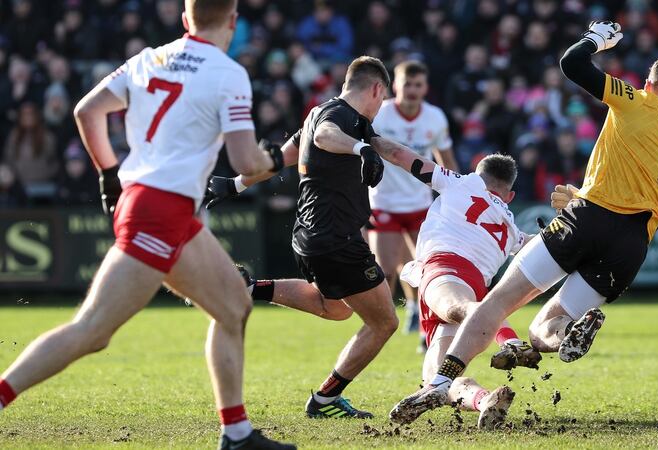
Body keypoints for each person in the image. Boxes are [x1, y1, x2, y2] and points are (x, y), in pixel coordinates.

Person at [0, 2, 294, 449]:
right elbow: (243, 160)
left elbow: (86, 111)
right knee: (92, 332)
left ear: (184, 20)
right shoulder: (229, 72)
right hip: (160, 210)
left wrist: (106, 175)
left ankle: (237, 434)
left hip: (163, 207)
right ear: (233, 23)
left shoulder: (149, 57)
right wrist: (274, 158)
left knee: (234, 305)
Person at [390, 20, 658, 425]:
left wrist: (597, 38)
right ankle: (567, 336)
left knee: (498, 302)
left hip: (589, 216)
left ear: (650, 84)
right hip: (632, 244)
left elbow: (572, 63)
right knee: (544, 329)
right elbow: (651, 204)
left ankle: (441, 383)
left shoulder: (637, 100)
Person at [205, 56, 399, 419]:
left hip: (310, 235)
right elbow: (328, 136)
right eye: (382, 98)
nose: (380, 107)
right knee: (385, 322)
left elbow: (279, 159)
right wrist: (362, 149)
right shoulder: (341, 119)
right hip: (337, 239)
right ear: (376, 89)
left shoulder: (316, 114)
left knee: (337, 307)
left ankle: (248, 288)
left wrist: (234, 184)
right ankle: (325, 400)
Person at [371, 136, 542, 429]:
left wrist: (365, 136)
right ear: (510, 196)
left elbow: (399, 154)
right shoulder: (512, 227)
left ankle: (511, 340)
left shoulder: (460, 182)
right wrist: (571, 219)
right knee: (435, 377)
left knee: (460, 308)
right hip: (475, 282)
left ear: (477, 175)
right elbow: (544, 246)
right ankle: (484, 400)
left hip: (446, 269)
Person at [367, 60, 458, 343]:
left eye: (418, 85)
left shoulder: (435, 118)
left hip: (420, 204)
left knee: (425, 268)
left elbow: (446, 159)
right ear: (395, 86)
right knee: (386, 269)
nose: (412, 90)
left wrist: (457, 191)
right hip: (384, 202)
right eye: (407, 84)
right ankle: (380, 326)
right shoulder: (379, 115)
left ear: (425, 88)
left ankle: (422, 322)